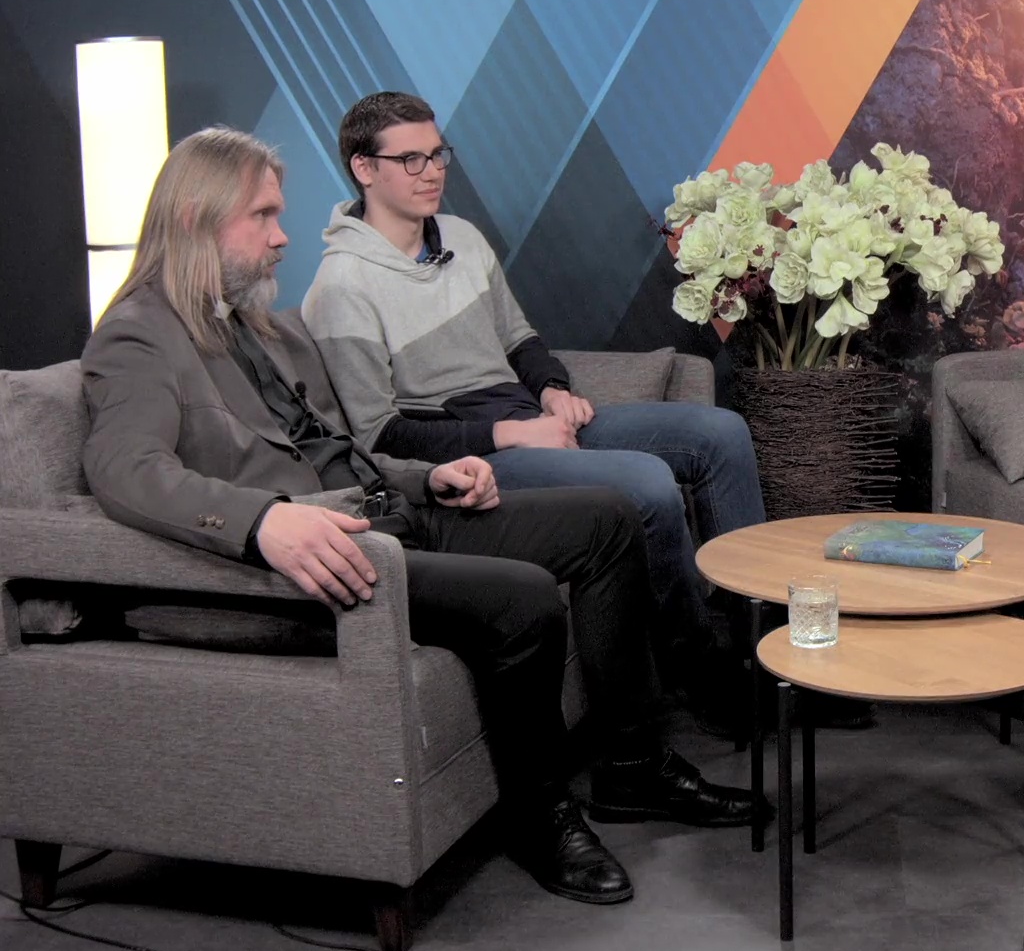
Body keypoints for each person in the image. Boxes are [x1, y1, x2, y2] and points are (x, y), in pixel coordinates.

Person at [81, 128, 760, 907]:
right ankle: (538, 815)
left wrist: (429, 476)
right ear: (196, 217)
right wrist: (262, 522)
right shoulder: (136, 333)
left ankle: (633, 769)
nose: (281, 236)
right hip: (335, 549)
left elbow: (339, 447)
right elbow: (124, 470)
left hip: (391, 509)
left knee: (607, 521)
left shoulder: (248, 322)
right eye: (263, 216)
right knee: (522, 597)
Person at [299, 92, 768, 725]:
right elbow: (380, 435)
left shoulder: (461, 237)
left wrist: (550, 389)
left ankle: (764, 651)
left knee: (721, 433)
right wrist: (512, 436)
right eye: (410, 160)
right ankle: (702, 670)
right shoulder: (341, 287)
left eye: (438, 154)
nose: (432, 172)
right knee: (648, 483)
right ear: (364, 168)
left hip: (532, 417)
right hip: (478, 453)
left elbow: (519, 338)